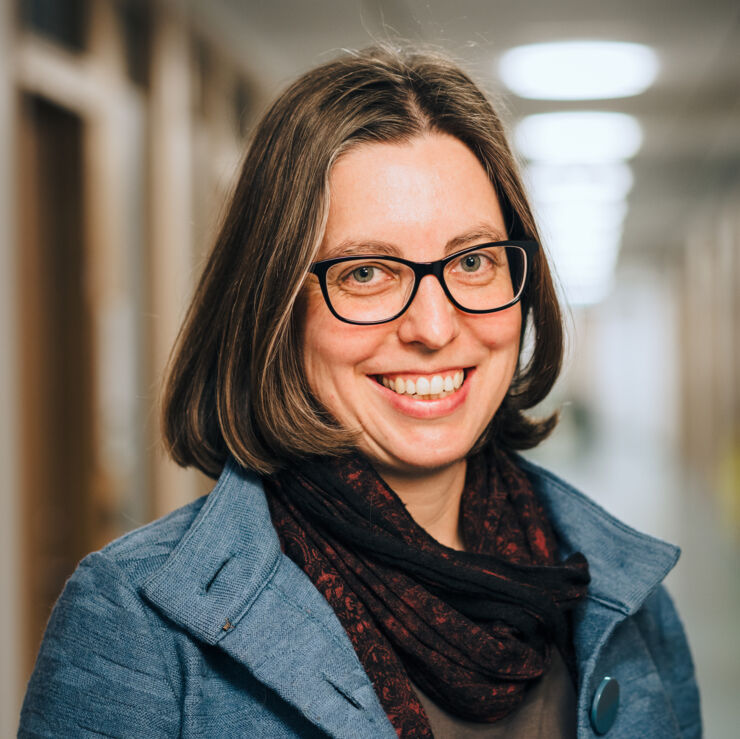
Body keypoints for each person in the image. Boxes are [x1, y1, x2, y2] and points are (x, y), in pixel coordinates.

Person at [19, 46, 701, 738]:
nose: (435, 328)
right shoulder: (137, 620)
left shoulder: (625, 599)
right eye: (366, 273)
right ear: (274, 308)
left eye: (473, 261)